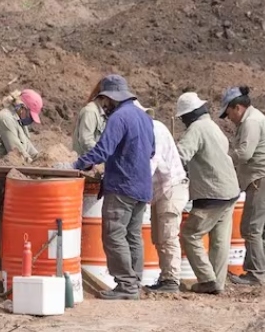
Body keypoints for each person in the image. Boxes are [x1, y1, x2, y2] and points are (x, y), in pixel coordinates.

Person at [58, 75, 154, 301]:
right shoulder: (145, 117)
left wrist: (75, 165)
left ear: (110, 98)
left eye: (105, 100)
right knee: (133, 236)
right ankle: (135, 282)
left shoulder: (119, 117)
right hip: (142, 186)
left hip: (122, 186)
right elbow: (151, 151)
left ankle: (126, 285)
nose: (104, 105)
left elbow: (102, 151)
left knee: (114, 235)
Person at [220, 86, 265, 286]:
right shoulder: (253, 119)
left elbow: (244, 153)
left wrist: (222, 160)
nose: (228, 118)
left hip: (264, 178)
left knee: (251, 227)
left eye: (228, 113)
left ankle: (255, 274)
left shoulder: (251, 122)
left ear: (237, 107)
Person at [175, 92, 240, 295]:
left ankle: (207, 280)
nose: (183, 121)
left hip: (212, 193)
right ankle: (217, 283)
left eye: (183, 117)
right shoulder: (213, 127)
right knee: (220, 240)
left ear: (189, 114)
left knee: (190, 234)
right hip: (230, 190)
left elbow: (181, 155)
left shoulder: (196, 129)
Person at [135, 101, 189, 294]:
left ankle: (171, 280)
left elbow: (151, 163)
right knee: (159, 237)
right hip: (162, 190)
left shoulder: (155, 131)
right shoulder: (149, 129)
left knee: (168, 235)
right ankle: (166, 277)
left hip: (171, 189)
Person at [0, 89, 43, 161]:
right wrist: (33, 162)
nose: (31, 120)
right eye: (30, 116)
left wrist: (41, 159)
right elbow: (18, 154)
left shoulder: (19, 121)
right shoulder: (6, 119)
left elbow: (29, 149)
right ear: (22, 108)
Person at [72, 81, 107, 156]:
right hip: (85, 161)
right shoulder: (90, 112)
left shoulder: (102, 113)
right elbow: (86, 142)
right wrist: (105, 153)